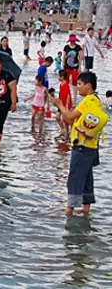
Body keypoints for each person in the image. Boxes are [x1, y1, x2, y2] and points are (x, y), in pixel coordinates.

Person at [52, 72, 108, 216]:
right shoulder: (96, 101)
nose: (77, 87)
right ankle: (86, 209)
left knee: (75, 177)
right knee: (87, 177)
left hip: (81, 147)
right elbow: (73, 120)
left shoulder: (87, 101)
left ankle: (69, 210)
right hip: (91, 147)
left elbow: (70, 116)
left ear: (88, 85)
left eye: (79, 84)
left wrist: (60, 105)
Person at [64, 34, 84, 101]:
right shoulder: (66, 47)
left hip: (75, 67)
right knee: (66, 81)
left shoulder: (78, 47)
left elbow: (80, 58)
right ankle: (66, 94)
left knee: (75, 82)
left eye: (73, 41)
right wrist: (63, 65)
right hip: (67, 67)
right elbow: (64, 57)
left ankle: (74, 97)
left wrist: (80, 67)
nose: (72, 42)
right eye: (71, 41)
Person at [56, 70, 72, 140]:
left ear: (62, 77)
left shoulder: (66, 84)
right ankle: (64, 130)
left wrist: (67, 105)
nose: (58, 77)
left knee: (65, 119)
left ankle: (67, 133)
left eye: (59, 76)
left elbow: (68, 95)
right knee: (57, 117)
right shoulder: (61, 84)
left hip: (65, 105)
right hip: (61, 104)